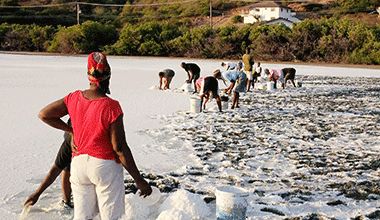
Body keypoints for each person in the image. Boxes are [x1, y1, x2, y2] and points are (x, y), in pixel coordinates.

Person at [38, 52, 152, 220]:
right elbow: (119, 147)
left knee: (83, 217)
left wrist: (72, 130)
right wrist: (139, 180)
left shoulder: (73, 98)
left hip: (78, 166)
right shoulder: (111, 106)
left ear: (89, 77)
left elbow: (44, 114)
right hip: (104, 167)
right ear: (108, 77)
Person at [24, 120, 73, 209]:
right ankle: (66, 201)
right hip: (73, 134)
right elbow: (56, 169)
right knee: (66, 166)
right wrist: (37, 193)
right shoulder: (69, 142)